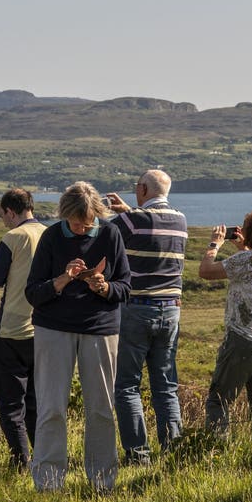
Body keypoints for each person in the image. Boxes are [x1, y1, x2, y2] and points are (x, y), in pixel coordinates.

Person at [25, 181, 131, 492]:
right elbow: (33, 292)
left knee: (100, 408)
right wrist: (62, 280)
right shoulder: (51, 236)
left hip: (100, 329)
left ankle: (102, 484)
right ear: (64, 216)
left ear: (97, 215)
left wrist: (104, 287)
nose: (81, 230)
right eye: (74, 224)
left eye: (86, 224)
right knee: (51, 407)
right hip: (53, 328)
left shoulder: (110, 234)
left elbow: (124, 287)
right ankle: (48, 484)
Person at [104, 170, 187, 464]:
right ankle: (174, 452)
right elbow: (147, 226)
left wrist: (120, 212)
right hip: (171, 310)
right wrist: (130, 210)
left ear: (141, 189)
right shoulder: (180, 219)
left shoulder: (132, 220)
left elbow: (105, 234)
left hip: (137, 308)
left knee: (127, 385)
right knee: (165, 386)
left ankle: (138, 455)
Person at [0, 188, 47, 470]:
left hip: (10, 331)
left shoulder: (12, 237)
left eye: (3, 216)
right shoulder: (48, 234)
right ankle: (44, 459)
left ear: (11, 211)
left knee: (11, 406)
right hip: (42, 331)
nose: (3, 221)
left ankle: (20, 463)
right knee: (35, 403)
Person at [198, 208, 252, 435]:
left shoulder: (244, 259)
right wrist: (244, 247)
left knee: (219, 400)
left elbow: (206, 272)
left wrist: (214, 245)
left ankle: (216, 449)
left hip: (242, 337)